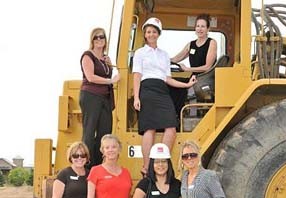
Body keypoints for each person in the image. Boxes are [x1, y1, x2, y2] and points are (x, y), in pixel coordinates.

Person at [132, 17, 197, 176]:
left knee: (171, 128)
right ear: (145, 35)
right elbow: (137, 75)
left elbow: (168, 79)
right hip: (147, 89)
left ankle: (160, 161)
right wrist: (136, 97)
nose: (151, 34)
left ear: (158, 34)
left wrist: (187, 85)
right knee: (149, 128)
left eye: (154, 31)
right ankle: (147, 167)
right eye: (148, 31)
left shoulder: (164, 55)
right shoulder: (139, 53)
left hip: (162, 90)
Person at [80, 27, 120, 168]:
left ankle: (98, 166)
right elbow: (90, 77)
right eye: (96, 37)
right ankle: (85, 165)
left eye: (101, 37)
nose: (99, 39)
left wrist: (109, 65)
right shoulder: (87, 56)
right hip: (91, 96)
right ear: (92, 40)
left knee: (105, 132)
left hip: (105, 98)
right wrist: (111, 81)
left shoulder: (105, 59)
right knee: (89, 132)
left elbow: (109, 74)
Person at [170, 14, 217, 118]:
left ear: (208, 29)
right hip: (193, 77)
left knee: (177, 86)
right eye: (198, 26)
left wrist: (187, 69)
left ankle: (177, 116)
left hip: (204, 78)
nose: (199, 29)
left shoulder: (211, 43)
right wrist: (164, 59)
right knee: (170, 82)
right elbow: (177, 58)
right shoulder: (191, 44)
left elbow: (207, 67)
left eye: (203, 26)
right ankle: (174, 116)